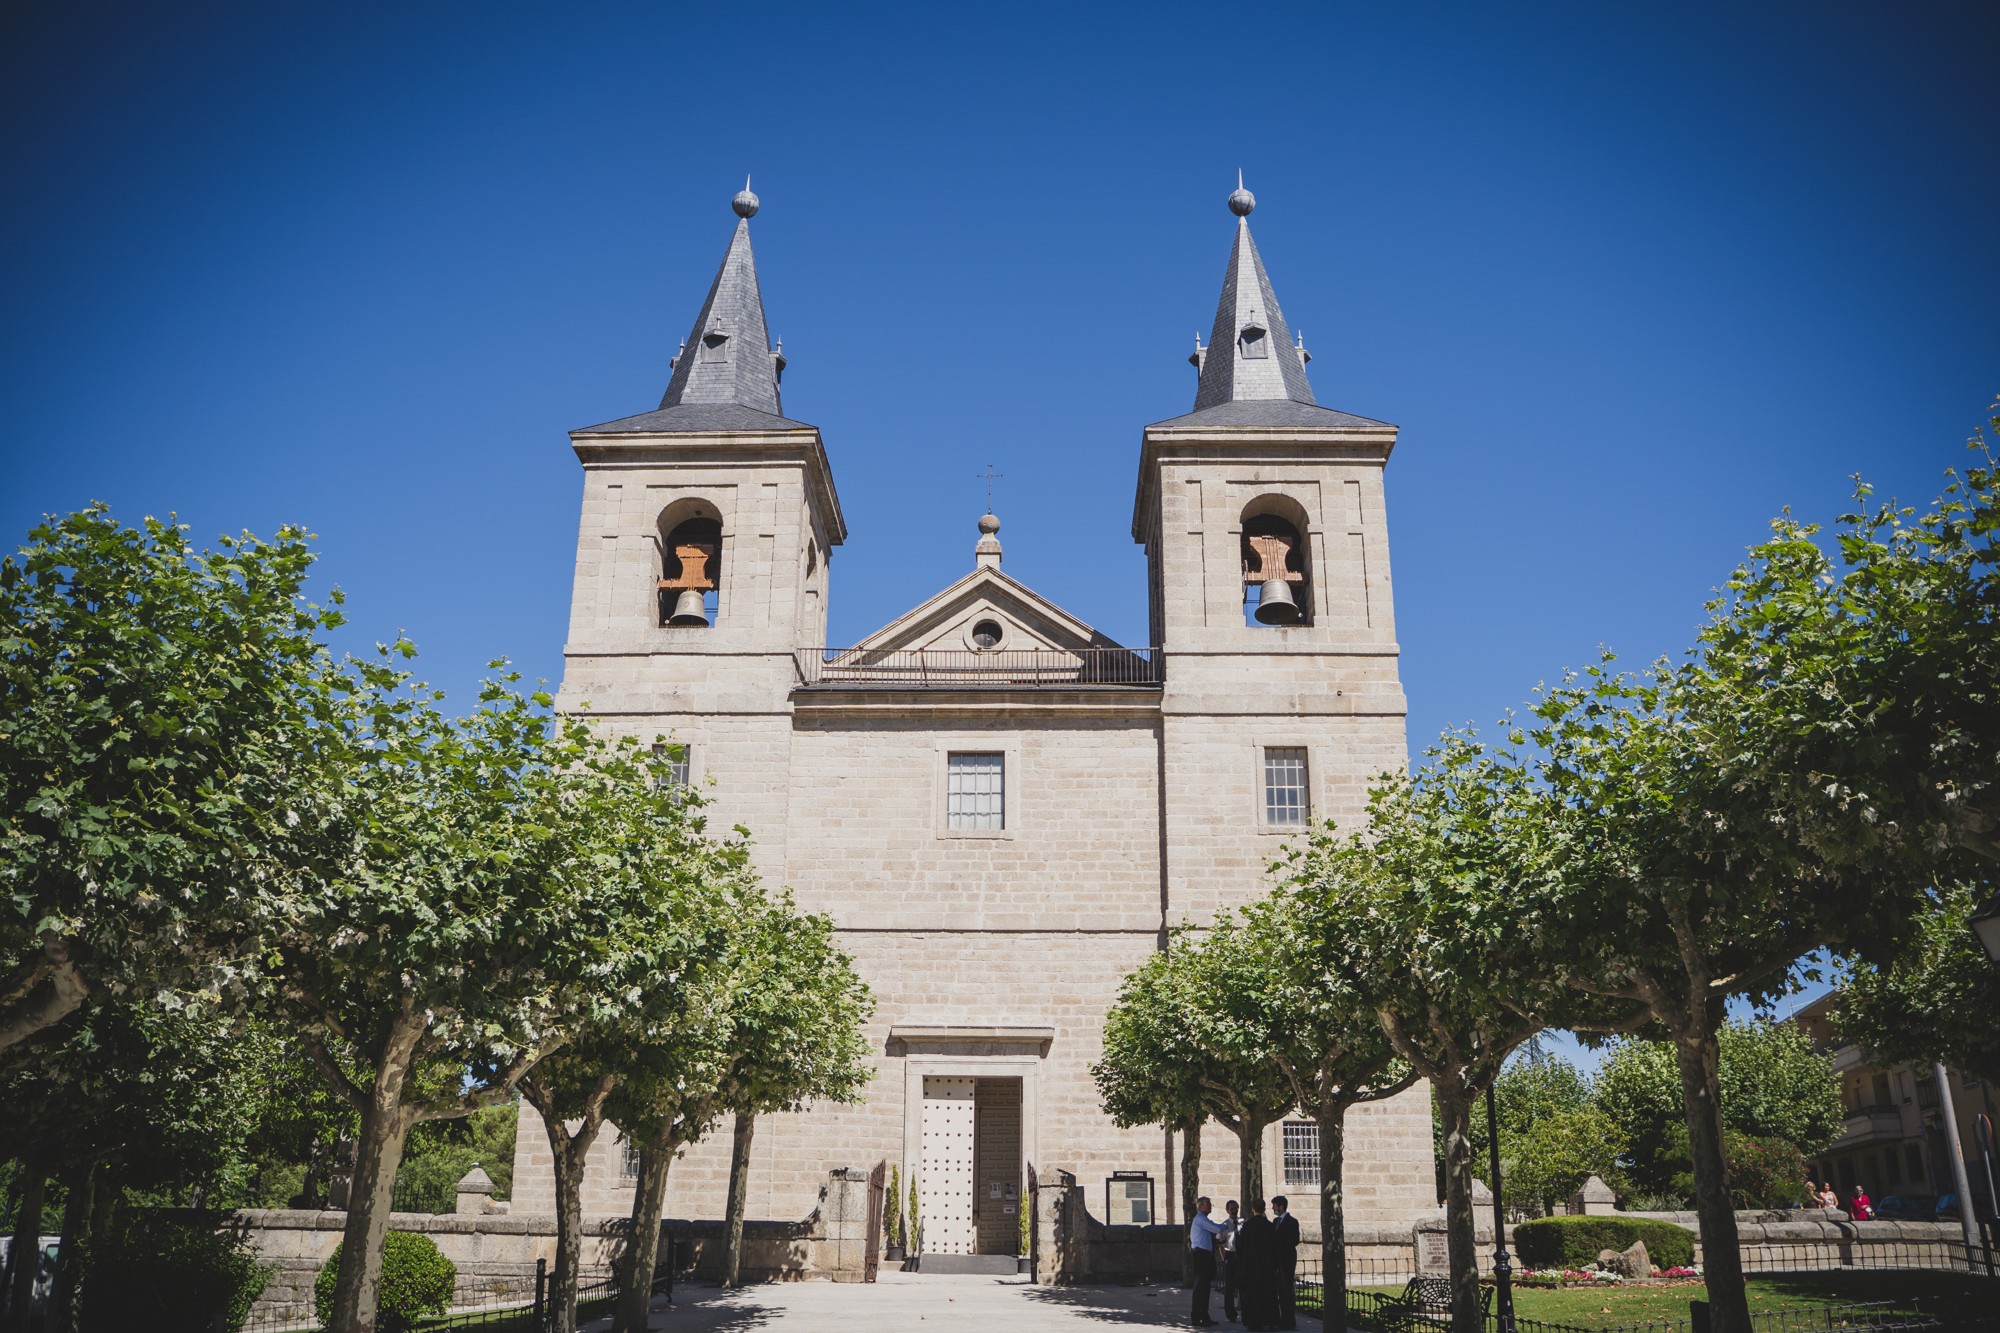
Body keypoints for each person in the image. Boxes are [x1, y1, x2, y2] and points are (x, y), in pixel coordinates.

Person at [1234, 1199, 1279, 1331]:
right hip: (1267, 1266)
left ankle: (1253, 1321)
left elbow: (1240, 1246)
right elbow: (1275, 1248)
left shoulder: (1247, 1226)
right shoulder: (1270, 1226)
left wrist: (1242, 1263)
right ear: (1264, 1208)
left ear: (1253, 1208)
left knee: (1252, 1294)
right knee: (1268, 1293)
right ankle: (1269, 1320)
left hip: (1250, 1266)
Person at [1189, 1196, 1228, 1326]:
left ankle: (1203, 1316)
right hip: (1201, 1255)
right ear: (1200, 1206)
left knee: (1205, 1287)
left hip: (1205, 1254)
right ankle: (1197, 1316)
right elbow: (1216, 1229)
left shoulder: (1204, 1219)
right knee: (1201, 1287)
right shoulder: (1200, 1219)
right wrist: (1226, 1224)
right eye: (1207, 1203)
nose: (1210, 1205)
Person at [1271, 1195, 1300, 1330]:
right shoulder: (1275, 1221)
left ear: (1281, 1206)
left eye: (1274, 1206)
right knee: (1280, 1291)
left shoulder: (1292, 1221)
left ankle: (1289, 1320)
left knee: (1287, 1291)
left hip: (1287, 1260)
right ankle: (1281, 1319)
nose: (1273, 1208)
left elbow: (1294, 1240)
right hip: (1276, 1260)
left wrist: (1280, 1246)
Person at [1219, 1200, 1241, 1323]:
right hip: (1230, 1255)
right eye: (1231, 1209)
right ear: (1227, 1210)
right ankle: (1230, 1314)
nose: (1234, 1211)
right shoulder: (1224, 1225)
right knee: (1229, 1287)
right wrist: (1224, 1259)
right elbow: (1221, 1245)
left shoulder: (1243, 1223)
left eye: (1236, 1208)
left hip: (1241, 1256)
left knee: (1243, 1284)